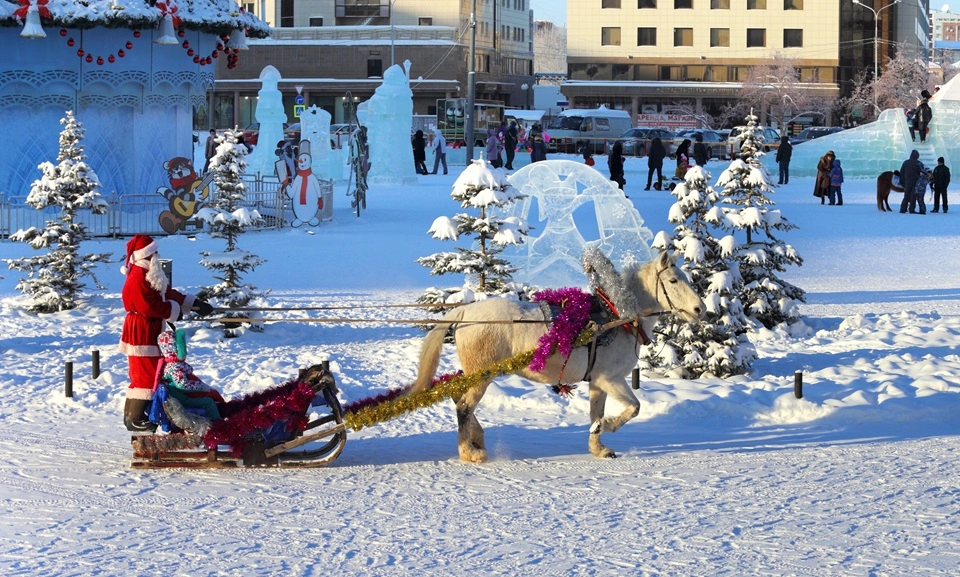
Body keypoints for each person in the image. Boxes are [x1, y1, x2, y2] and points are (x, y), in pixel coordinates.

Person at [118, 235, 213, 432]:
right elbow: (148, 306)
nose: (157, 256)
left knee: (147, 374)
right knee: (145, 375)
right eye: (153, 252)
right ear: (145, 255)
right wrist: (172, 312)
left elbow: (166, 293)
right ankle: (134, 419)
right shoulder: (138, 276)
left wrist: (193, 303)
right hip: (141, 331)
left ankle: (134, 417)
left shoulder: (148, 273)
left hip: (149, 328)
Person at [899, 149, 922, 214]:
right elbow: (922, 173)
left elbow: (901, 173)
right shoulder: (918, 163)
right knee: (913, 196)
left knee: (906, 196)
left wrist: (904, 181)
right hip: (915, 182)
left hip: (907, 182)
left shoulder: (905, 162)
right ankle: (911, 209)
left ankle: (903, 209)